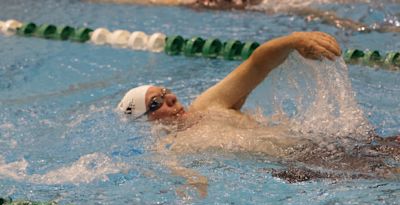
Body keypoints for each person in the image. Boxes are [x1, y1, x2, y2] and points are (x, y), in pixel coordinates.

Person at [118, 31, 341, 123]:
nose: (172, 98)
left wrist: (294, 40)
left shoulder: (207, 106)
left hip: (314, 152)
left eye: (166, 92)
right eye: (156, 103)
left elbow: (256, 64)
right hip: (292, 172)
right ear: (145, 121)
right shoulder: (169, 153)